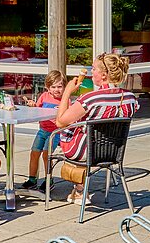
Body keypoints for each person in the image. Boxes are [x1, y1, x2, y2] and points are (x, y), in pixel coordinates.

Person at [53, 53, 139, 204]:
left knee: (64, 134)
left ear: (104, 75)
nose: (91, 71)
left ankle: (79, 190)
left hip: (86, 152)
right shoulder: (130, 98)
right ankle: (79, 191)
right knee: (81, 133)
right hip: (113, 152)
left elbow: (60, 122)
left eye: (93, 69)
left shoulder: (91, 99)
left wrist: (67, 92)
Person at [21, 70, 66, 190]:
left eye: (60, 86)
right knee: (34, 153)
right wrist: (32, 105)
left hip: (55, 132)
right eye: (53, 87)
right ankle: (32, 179)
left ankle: (49, 179)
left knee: (47, 154)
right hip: (42, 130)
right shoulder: (44, 96)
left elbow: (68, 115)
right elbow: (37, 109)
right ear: (48, 87)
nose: (57, 89)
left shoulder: (65, 100)